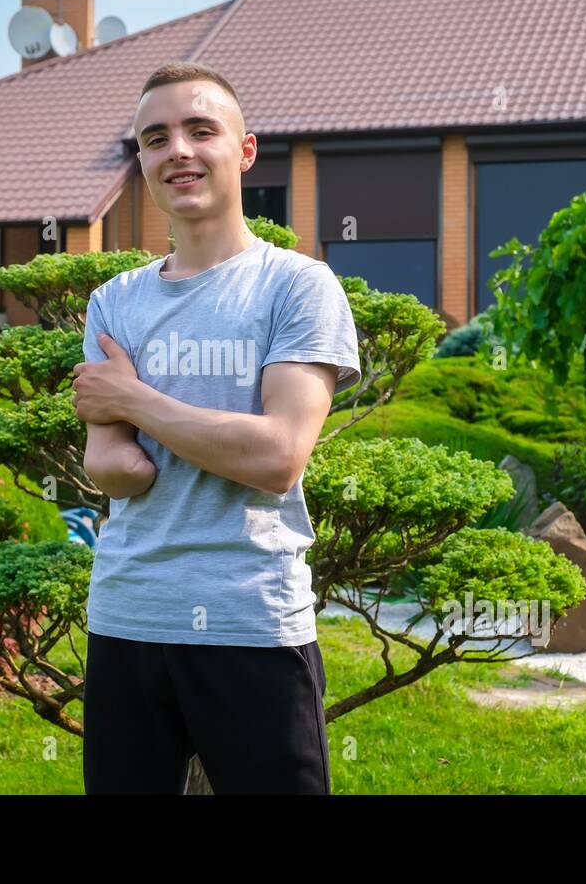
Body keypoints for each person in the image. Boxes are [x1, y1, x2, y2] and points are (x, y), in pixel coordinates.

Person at [72, 61, 361, 794]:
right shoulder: (113, 302)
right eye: (155, 137)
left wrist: (135, 403)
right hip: (127, 617)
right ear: (141, 161)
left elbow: (278, 456)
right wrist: (154, 435)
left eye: (202, 130)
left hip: (250, 620)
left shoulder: (297, 286)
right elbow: (112, 471)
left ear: (245, 150)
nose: (179, 151)